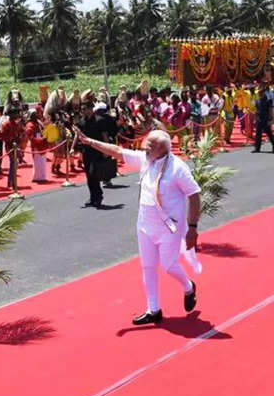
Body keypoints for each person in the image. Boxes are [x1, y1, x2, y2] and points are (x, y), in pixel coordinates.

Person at [73, 128, 200, 324]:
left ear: (163, 148)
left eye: (151, 145)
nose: (146, 147)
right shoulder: (145, 159)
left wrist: (192, 228)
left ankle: (188, 287)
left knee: (169, 267)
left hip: (169, 227)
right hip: (145, 225)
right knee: (148, 266)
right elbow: (116, 151)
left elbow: (194, 195)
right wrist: (89, 141)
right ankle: (154, 309)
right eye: (146, 144)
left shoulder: (178, 168)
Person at [76, 101, 107, 207]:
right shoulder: (81, 121)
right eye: (82, 109)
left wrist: (106, 150)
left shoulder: (100, 120)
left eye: (84, 109)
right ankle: (92, 197)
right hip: (86, 151)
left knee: (93, 173)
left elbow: (104, 136)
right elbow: (78, 135)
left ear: (90, 109)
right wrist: (73, 148)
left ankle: (98, 196)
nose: (82, 111)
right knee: (89, 176)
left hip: (97, 150)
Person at [0, 109, 24, 188]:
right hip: (10, 147)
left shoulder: (17, 124)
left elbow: (21, 131)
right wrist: (11, 138)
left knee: (14, 164)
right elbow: (2, 136)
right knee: (13, 164)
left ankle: (11, 181)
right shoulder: (5, 124)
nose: (16, 116)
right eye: (14, 114)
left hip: (16, 146)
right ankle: (12, 182)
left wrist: (20, 137)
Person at [25, 109, 48, 182]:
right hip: (36, 145)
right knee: (38, 161)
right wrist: (39, 140)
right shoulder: (29, 125)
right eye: (33, 114)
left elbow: (44, 129)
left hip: (42, 142)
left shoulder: (39, 122)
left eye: (35, 114)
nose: (35, 115)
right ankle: (37, 177)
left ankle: (42, 176)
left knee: (43, 161)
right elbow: (30, 137)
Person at [252, 83, 274, 153]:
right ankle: (257, 148)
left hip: (266, 118)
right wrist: (255, 119)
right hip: (259, 118)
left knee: (269, 134)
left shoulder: (268, 100)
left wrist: (271, 119)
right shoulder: (257, 101)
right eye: (259, 92)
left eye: (261, 92)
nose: (259, 93)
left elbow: (270, 109)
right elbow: (256, 110)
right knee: (258, 134)